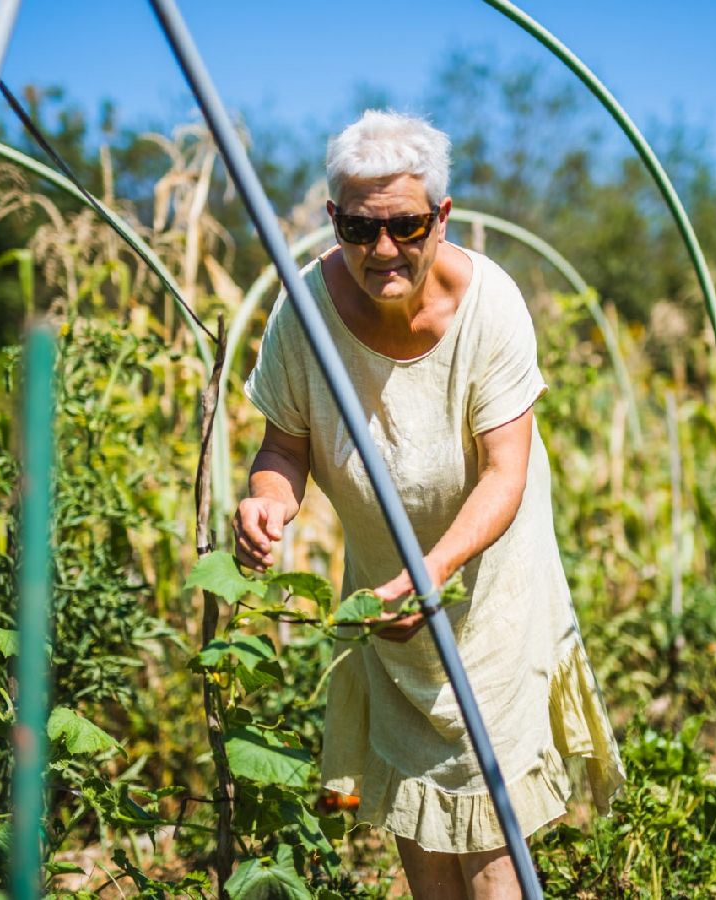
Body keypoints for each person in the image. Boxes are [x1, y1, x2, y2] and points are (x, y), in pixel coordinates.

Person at [234, 109, 623, 900]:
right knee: (421, 820)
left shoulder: (491, 307)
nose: (381, 250)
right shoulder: (302, 313)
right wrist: (266, 499)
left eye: (405, 226)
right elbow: (286, 446)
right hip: (387, 597)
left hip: (486, 589)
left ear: (441, 218)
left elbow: (504, 474)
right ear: (333, 220)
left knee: (484, 818)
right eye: (357, 228)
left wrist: (434, 571)